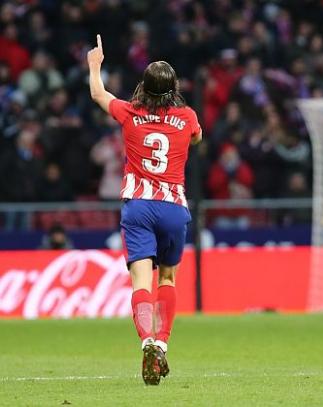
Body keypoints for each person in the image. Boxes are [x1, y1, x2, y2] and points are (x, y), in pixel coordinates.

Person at [87, 35, 202, 385]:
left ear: (143, 87)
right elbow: (197, 138)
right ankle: (162, 344)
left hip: (137, 206)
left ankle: (147, 340)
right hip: (172, 207)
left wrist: (95, 65)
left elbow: (98, 94)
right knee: (167, 277)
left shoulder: (129, 112)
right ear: (174, 90)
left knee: (141, 281)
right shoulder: (187, 117)